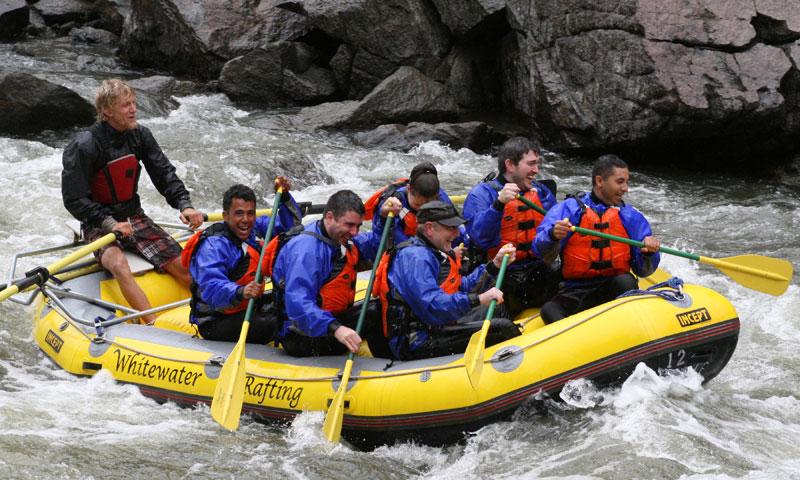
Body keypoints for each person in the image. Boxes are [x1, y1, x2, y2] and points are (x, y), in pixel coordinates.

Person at [61, 78, 204, 325]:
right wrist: (108, 223)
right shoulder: (85, 145)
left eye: (134, 103)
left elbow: (164, 173)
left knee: (182, 265)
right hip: (99, 221)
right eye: (126, 105)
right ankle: (152, 324)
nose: (133, 109)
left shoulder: (140, 136)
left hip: (134, 216)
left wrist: (184, 204)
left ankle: (214, 309)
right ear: (107, 111)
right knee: (117, 262)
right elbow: (74, 199)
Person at [372, 201, 521, 361]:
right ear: (429, 228)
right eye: (451, 228)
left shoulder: (431, 251)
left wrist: (494, 265)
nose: (457, 233)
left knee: (498, 307)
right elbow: (433, 305)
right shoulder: (416, 258)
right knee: (503, 329)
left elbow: (458, 286)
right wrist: (477, 299)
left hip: (435, 325)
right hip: (417, 340)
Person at [270, 190, 402, 357]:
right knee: (374, 313)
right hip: (303, 337)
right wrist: (336, 328)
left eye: (358, 226)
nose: (355, 232)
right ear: (330, 217)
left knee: (381, 305)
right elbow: (298, 304)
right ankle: (389, 365)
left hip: (328, 324)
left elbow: (376, 245)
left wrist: (383, 217)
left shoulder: (339, 239)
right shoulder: (307, 251)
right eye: (349, 225)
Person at [534, 154, 661, 324]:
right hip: (576, 290)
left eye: (626, 182)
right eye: (620, 182)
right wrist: (552, 235)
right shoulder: (570, 209)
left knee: (626, 281)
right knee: (549, 310)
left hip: (613, 287)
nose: (625, 188)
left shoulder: (630, 217)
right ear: (600, 181)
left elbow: (643, 271)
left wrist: (648, 252)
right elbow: (538, 248)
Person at [182, 180, 300, 342]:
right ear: (226, 216)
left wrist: (285, 197)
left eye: (250, 213)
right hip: (217, 320)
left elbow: (292, 229)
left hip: (249, 306)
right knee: (284, 324)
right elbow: (211, 287)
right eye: (239, 213)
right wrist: (241, 291)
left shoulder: (254, 228)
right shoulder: (214, 246)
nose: (246, 219)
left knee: (294, 306)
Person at [462, 136, 559, 316]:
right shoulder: (482, 194)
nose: (536, 170)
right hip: (500, 274)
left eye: (537, 164)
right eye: (530, 164)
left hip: (536, 270)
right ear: (510, 165)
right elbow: (480, 239)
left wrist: (556, 234)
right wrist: (498, 205)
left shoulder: (542, 193)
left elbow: (555, 236)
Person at [368, 161, 463, 248]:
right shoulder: (393, 203)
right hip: (405, 246)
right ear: (408, 189)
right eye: (418, 204)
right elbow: (383, 240)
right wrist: (383, 216)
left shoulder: (440, 198)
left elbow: (454, 230)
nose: (423, 210)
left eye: (429, 205)